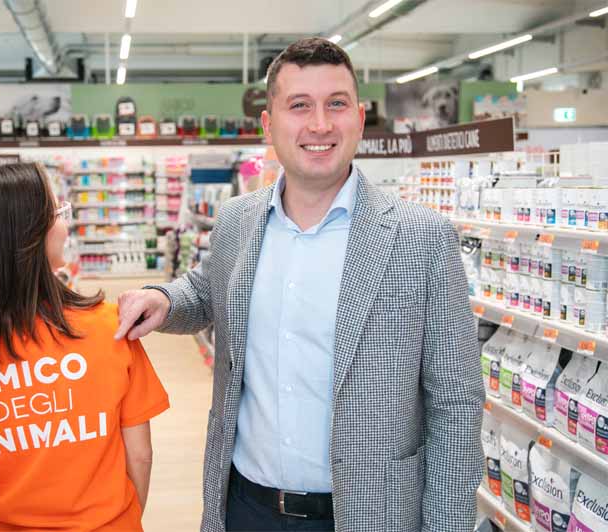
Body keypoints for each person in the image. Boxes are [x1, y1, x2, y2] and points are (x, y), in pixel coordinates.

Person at [115, 38, 484, 532]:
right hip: (245, 508)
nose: (320, 124)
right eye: (299, 106)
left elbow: (456, 403)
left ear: (359, 118)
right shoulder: (237, 220)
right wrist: (163, 298)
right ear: (269, 124)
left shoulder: (423, 237)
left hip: (369, 515)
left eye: (337, 104)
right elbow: (208, 290)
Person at [0, 162, 169, 531]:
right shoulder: (111, 328)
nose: (65, 226)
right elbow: (140, 456)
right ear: (30, 236)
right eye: (57, 213)